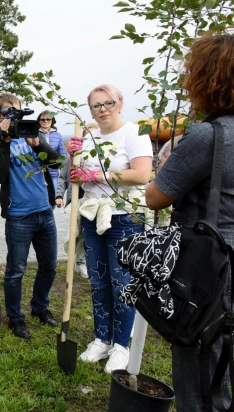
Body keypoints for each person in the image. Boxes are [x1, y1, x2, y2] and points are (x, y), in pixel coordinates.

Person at [145, 33, 234, 411]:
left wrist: (167, 162)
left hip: (208, 270)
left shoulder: (208, 136)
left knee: (199, 362)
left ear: (208, 79)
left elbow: (155, 196)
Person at [68, 84, 152, 373]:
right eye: (96, 105)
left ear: (120, 104)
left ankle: (121, 346)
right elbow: (78, 177)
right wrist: (73, 159)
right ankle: (102, 339)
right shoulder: (89, 138)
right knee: (98, 282)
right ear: (90, 109)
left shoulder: (134, 133)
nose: (102, 109)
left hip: (124, 218)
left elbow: (142, 174)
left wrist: (96, 173)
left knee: (122, 285)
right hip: (93, 218)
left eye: (108, 103)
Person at [0, 93, 60, 341]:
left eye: (18, 111)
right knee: (16, 270)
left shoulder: (32, 136)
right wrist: (6, 139)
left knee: (49, 266)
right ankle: (16, 318)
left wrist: (36, 143)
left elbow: (56, 162)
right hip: (19, 217)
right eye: (9, 112)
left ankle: (40, 308)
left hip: (45, 212)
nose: (15, 117)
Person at [55, 123, 98, 279]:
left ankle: (91, 262)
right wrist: (59, 195)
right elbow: (62, 176)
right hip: (79, 200)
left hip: (97, 202)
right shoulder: (74, 156)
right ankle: (80, 261)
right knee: (80, 233)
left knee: (95, 234)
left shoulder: (102, 155)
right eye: (88, 137)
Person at [36, 110, 66, 189]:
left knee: (53, 199)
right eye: (43, 119)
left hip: (53, 174)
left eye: (48, 119)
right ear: (39, 121)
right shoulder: (34, 134)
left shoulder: (58, 136)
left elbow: (62, 155)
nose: (45, 121)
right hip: (38, 174)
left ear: (52, 121)